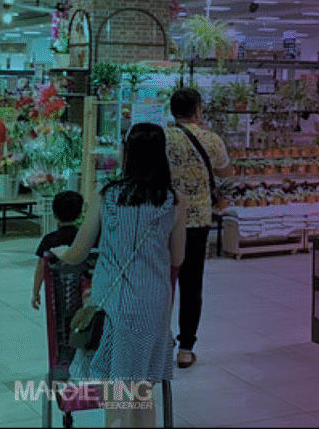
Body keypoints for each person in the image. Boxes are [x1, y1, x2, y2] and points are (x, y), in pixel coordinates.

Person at [53, 123, 186, 428]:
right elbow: (178, 257)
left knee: (118, 392)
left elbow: (78, 252)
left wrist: (61, 252)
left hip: (113, 306)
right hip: (153, 304)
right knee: (142, 391)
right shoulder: (175, 200)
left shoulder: (108, 195)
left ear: (128, 153)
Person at [164, 88, 231, 369]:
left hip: (165, 218)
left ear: (172, 110)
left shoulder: (162, 138)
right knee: (192, 284)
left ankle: (159, 340)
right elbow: (226, 172)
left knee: (161, 282)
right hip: (197, 221)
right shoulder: (211, 139)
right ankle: (185, 348)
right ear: (198, 109)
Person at [31, 190, 84, 310]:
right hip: (81, 289)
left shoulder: (49, 240)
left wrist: (35, 293)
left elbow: (40, 267)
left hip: (57, 292)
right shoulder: (83, 238)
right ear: (80, 213)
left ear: (54, 214)